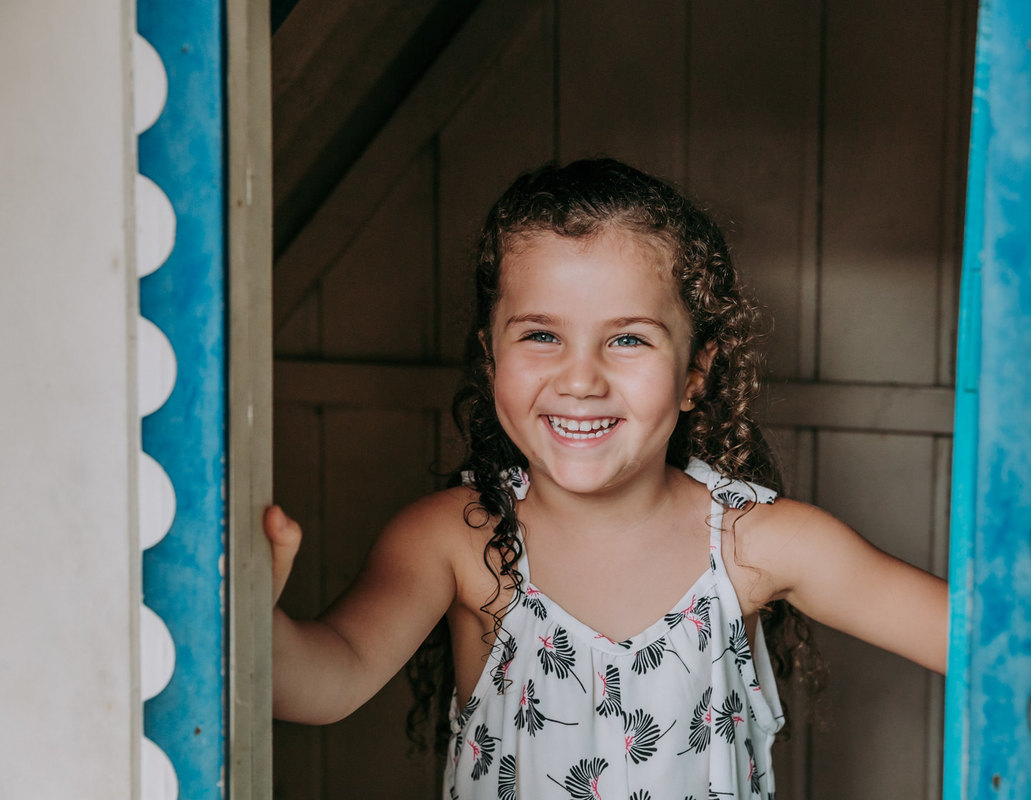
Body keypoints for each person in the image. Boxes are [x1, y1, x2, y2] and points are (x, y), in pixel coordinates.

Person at [267, 158, 947, 799]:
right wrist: (248, 614)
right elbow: (326, 683)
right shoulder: (457, 540)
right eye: (540, 335)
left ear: (694, 374)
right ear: (490, 353)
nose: (581, 379)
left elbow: (979, 639)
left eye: (628, 339)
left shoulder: (755, 545)